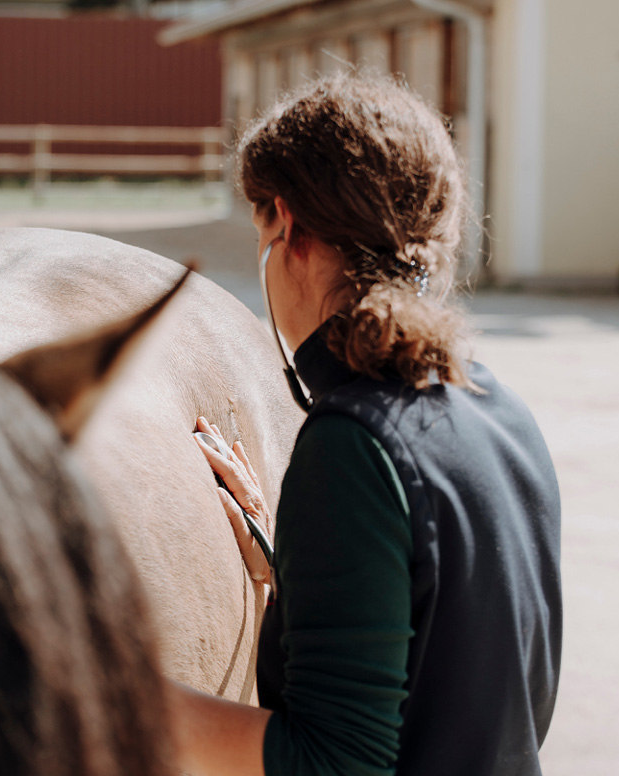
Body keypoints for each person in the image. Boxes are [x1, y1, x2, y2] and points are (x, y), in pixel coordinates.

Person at [167, 72, 561, 776]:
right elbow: (457, 660)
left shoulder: (354, 444)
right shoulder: (501, 410)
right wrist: (292, 562)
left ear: (286, 226)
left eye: (260, 224)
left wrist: (106, 683)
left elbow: (335, 761)